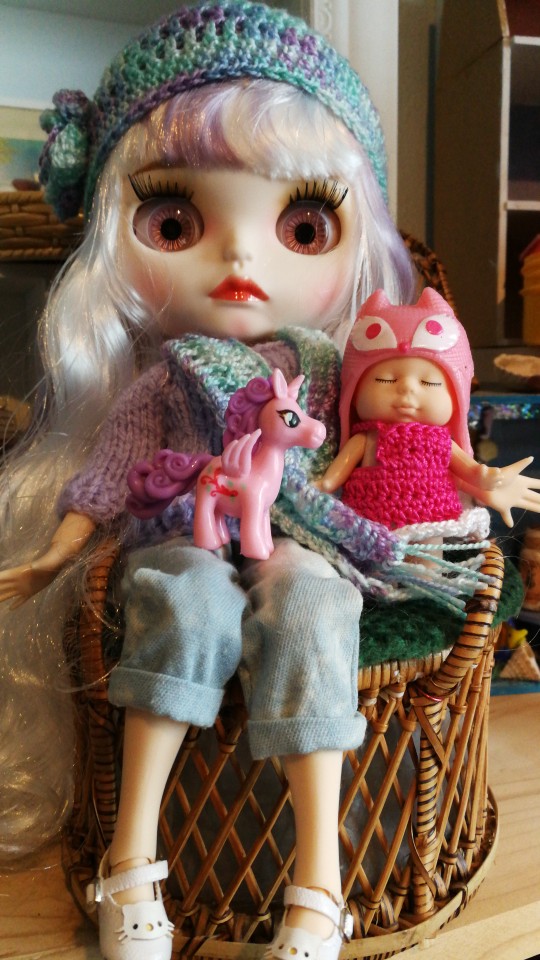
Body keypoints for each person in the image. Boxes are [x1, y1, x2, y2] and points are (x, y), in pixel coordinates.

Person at [0, 4, 419, 959]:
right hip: (179, 531)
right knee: (182, 601)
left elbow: (372, 455)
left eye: (303, 226)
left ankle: (319, 878)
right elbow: (108, 475)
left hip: (294, 538)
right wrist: (54, 554)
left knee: (314, 604)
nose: (239, 259)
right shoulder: (160, 380)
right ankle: (130, 856)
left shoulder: (330, 370)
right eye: (175, 222)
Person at [318, 288, 540, 531]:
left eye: (428, 382)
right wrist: (324, 485)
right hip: (371, 521)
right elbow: (336, 474)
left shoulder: (441, 442)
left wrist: (486, 478)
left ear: (457, 397)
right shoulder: (365, 439)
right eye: (385, 380)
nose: (407, 389)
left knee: (430, 551)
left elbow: (469, 470)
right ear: (353, 393)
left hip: (432, 520)